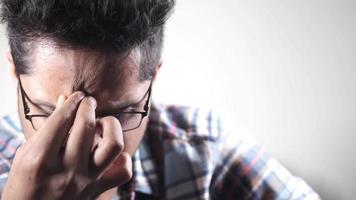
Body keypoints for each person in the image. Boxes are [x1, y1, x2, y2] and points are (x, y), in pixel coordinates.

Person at [0, 0, 320, 199]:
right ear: (14, 70)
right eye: (49, 112)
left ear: (153, 77)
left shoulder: (205, 149)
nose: (88, 144)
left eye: (122, 113)